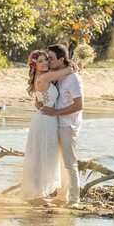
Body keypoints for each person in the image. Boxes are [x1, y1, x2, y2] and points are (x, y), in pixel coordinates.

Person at [19, 49, 72, 203]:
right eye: (40, 61)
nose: (45, 63)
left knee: (44, 155)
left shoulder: (41, 77)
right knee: (41, 156)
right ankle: (36, 195)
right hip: (45, 120)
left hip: (46, 118)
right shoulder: (45, 76)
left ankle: (38, 193)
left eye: (46, 60)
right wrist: (74, 63)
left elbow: (39, 100)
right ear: (34, 65)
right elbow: (68, 70)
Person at [39, 43, 83, 206]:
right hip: (56, 123)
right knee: (60, 161)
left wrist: (55, 113)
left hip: (68, 125)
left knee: (70, 162)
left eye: (51, 58)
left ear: (61, 59)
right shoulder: (58, 75)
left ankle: (74, 199)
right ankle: (61, 196)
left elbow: (79, 105)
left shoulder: (74, 79)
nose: (49, 62)